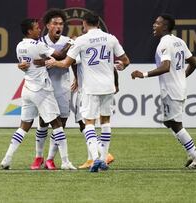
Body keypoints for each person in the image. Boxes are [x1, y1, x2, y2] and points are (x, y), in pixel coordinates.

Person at [45, 11, 130, 172]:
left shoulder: (81, 40)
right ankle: (104, 159)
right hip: (108, 87)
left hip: (91, 88)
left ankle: (96, 158)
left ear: (84, 24)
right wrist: (120, 66)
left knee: (88, 123)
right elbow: (125, 61)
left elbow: (65, 64)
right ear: (98, 23)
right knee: (105, 122)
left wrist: (53, 62)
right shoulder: (111, 38)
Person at [131, 14, 196, 169]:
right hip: (178, 87)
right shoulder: (179, 41)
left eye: (157, 23)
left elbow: (165, 67)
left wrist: (143, 74)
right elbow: (194, 63)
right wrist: (181, 76)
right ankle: (191, 153)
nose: (154, 25)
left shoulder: (164, 44)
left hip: (171, 90)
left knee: (176, 124)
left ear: (165, 26)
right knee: (168, 122)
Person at [0, 18, 76, 170]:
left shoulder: (19, 46)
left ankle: (7, 159)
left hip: (27, 88)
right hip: (42, 89)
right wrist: (71, 43)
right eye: (36, 28)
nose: (39, 30)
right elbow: (60, 55)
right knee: (57, 124)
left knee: (24, 126)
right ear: (29, 31)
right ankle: (66, 161)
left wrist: (42, 61)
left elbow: (26, 64)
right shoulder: (39, 44)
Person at [23, 8, 74, 170]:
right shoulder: (40, 43)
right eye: (55, 24)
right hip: (44, 88)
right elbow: (33, 63)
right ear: (47, 25)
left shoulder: (68, 40)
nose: (59, 26)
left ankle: (51, 158)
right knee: (43, 123)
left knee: (61, 125)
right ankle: (38, 156)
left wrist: (78, 80)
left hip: (63, 87)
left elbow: (73, 62)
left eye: (61, 24)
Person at [71, 62, 116, 169]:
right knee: (97, 122)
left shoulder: (80, 45)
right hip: (102, 87)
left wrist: (76, 77)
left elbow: (71, 61)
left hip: (86, 91)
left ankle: (102, 153)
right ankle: (91, 158)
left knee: (85, 124)